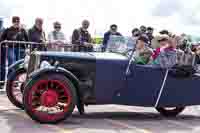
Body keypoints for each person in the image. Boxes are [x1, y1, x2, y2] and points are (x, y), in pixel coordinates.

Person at [0, 16, 28, 88]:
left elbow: (27, 39)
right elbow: (2, 38)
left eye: (17, 21)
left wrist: (25, 46)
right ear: (12, 22)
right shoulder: (8, 30)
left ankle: (15, 82)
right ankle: (9, 80)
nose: (16, 23)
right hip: (10, 48)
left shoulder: (23, 30)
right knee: (12, 63)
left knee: (19, 65)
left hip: (20, 49)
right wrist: (5, 43)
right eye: (15, 22)